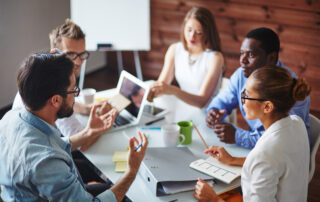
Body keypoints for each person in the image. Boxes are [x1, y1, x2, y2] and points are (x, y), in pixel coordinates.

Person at [0, 52, 148, 201]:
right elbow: (47, 157)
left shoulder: (11, 118)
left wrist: (89, 132)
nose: (76, 95)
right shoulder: (47, 163)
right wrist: (131, 171)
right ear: (56, 100)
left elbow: (51, 147)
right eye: (74, 90)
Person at [194, 65, 310, 201]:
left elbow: (266, 160)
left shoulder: (264, 153)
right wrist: (232, 160)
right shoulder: (297, 123)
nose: (241, 99)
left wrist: (213, 199)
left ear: (267, 106)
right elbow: (275, 164)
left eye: (246, 95)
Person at [206, 27, 310, 149]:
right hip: (259, 150)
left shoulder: (290, 88)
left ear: (271, 57)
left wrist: (238, 136)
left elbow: (283, 140)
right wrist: (214, 111)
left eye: (251, 54)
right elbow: (223, 100)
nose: (243, 60)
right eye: (241, 53)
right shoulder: (241, 75)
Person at [148, 7, 224, 108]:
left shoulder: (215, 58)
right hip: (184, 106)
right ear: (183, 27)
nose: (192, 36)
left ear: (207, 33)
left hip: (208, 112)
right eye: (189, 30)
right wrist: (149, 93)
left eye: (199, 32)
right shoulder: (175, 49)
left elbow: (201, 102)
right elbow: (162, 84)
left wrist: (173, 90)